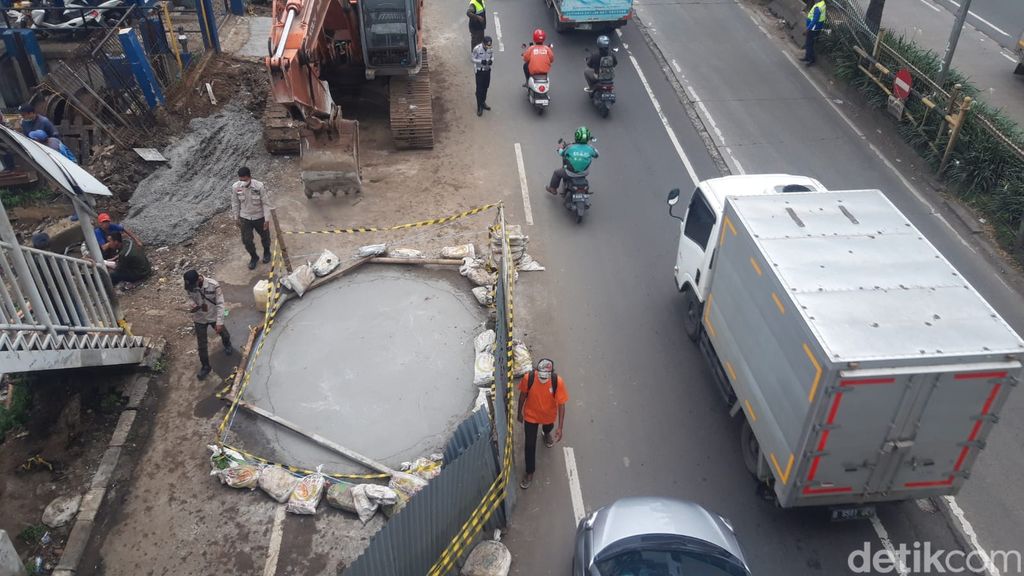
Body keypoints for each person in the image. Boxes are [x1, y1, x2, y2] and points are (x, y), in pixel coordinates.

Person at [516, 359, 568, 489]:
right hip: (531, 416)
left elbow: (562, 405)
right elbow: (522, 396)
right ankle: (529, 472)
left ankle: (546, 432)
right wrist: (519, 413)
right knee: (529, 445)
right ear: (536, 371)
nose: (543, 379)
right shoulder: (529, 378)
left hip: (548, 417)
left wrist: (560, 427)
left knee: (548, 427)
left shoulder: (558, 382)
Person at [184, 269, 234, 380]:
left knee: (224, 334)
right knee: (202, 345)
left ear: (198, 279)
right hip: (199, 318)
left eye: (193, 285)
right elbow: (189, 297)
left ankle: (227, 344)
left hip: (213, 315)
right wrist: (192, 305)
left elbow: (220, 304)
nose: (192, 287)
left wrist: (219, 322)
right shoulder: (189, 286)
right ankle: (206, 367)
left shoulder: (213, 285)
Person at [231, 167, 274, 270]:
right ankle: (254, 257)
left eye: (245, 180)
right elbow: (235, 203)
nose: (243, 182)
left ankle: (267, 252)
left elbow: (266, 203)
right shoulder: (236, 187)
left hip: (259, 217)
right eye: (241, 180)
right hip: (245, 218)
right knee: (246, 241)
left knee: (265, 237)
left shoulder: (259, 186)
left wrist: (266, 219)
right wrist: (236, 217)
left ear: (250, 177)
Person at [546, 126, 599, 195]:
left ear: (576, 137)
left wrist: (560, 148)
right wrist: (592, 148)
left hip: (569, 173)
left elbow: (562, 153)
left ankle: (552, 189)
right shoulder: (590, 148)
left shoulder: (570, 147)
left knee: (557, 173)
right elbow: (597, 155)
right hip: (584, 173)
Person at [472, 36, 494, 117]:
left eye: (490, 45)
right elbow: (472, 59)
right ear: (483, 43)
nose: (489, 47)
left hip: (487, 71)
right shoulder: (477, 49)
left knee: (486, 87)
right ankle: (479, 107)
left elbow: (492, 56)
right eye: (487, 45)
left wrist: (491, 60)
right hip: (479, 71)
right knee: (479, 90)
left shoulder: (490, 48)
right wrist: (481, 61)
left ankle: (483, 102)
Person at [801, 0, 826, 66]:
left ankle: (811, 59)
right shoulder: (822, 3)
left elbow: (815, 20)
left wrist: (808, 29)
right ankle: (807, 57)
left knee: (809, 44)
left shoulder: (818, 7)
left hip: (813, 28)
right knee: (809, 43)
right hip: (816, 27)